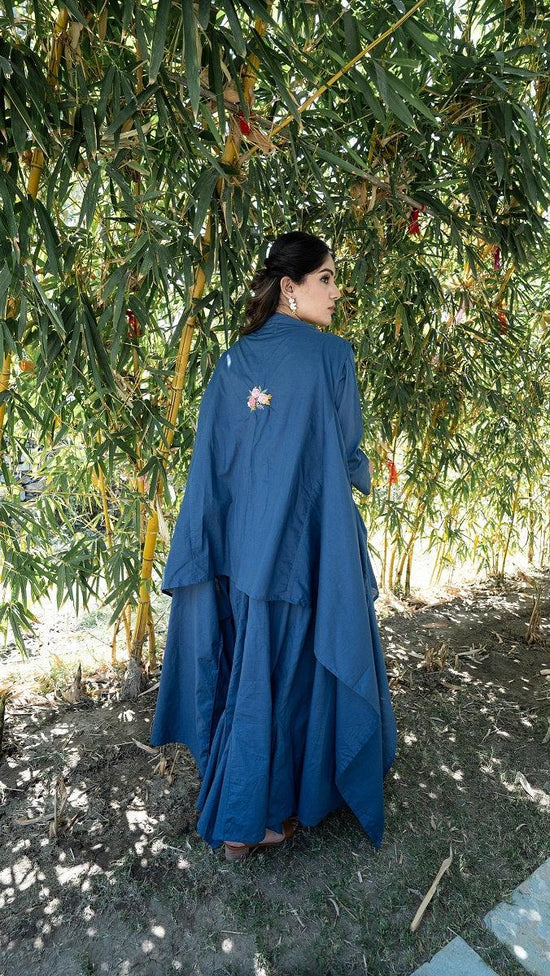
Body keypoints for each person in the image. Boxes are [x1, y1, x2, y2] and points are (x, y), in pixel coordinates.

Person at [150, 231, 397, 861]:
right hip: (304, 547)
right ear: (290, 287)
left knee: (252, 671)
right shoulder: (331, 356)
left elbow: (215, 464)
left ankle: (248, 809)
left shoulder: (231, 364)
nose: (336, 292)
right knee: (293, 674)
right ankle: (249, 818)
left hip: (240, 554)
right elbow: (346, 454)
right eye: (326, 279)